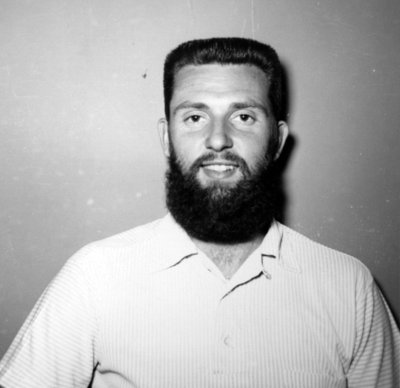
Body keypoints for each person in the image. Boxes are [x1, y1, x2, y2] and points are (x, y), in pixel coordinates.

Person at [0, 37, 398, 388]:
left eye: (243, 117)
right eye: (195, 117)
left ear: (277, 141)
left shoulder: (350, 289)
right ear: (166, 138)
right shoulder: (93, 277)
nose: (219, 139)